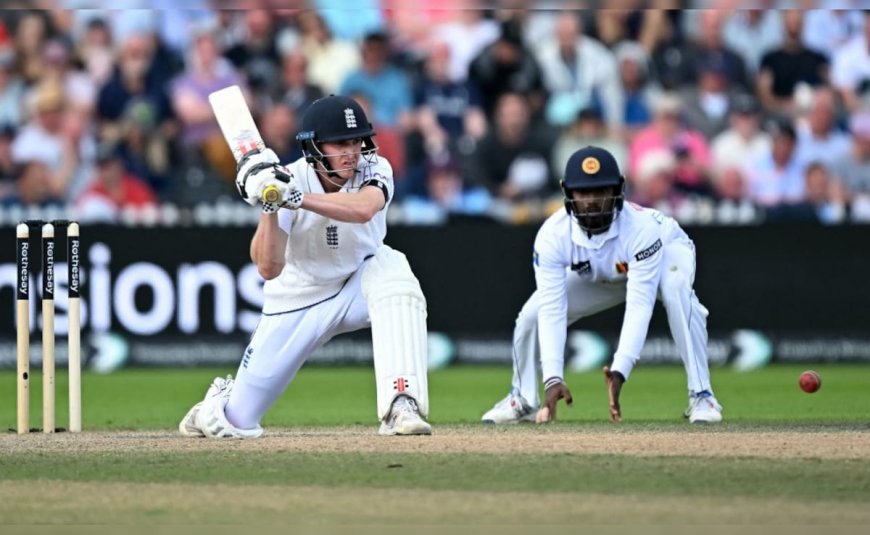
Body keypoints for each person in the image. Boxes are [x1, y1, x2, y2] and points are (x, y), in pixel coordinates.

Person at [179, 95, 432, 438]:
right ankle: (219, 402)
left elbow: (363, 208)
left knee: (396, 277)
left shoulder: (375, 168)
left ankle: (401, 403)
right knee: (233, 425)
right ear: (314, 146)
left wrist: (295, 196)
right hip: (297, 300)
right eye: (340, 143)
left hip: (359, 283)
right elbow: (268, 268)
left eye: (357, 140)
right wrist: (270, 202)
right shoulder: (286, 179)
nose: (352, 151)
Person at [480, 145, 723, 425]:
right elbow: (552, 310)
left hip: (664, 253)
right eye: (583, 193)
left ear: (617, 190)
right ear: (568, 194)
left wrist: (620, 370)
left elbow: (640, 304)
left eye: (600, 191)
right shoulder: (551, 236)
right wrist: (553, 378)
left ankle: (702, 395)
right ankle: (523, 398)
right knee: (531, 315)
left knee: (675, 287)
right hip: (605, 272)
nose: (592, 201)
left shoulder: (642, 229)